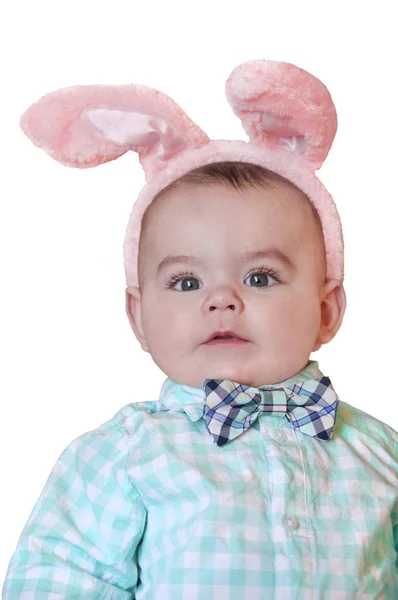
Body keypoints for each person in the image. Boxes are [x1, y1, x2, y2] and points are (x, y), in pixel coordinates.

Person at [3, 59, 398, 599]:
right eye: (186, 282)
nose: (221, 300)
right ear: (139, 317)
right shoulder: (125, 455)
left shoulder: (379, 453)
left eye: (260, 276)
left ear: (326, 311)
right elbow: (57, 578)